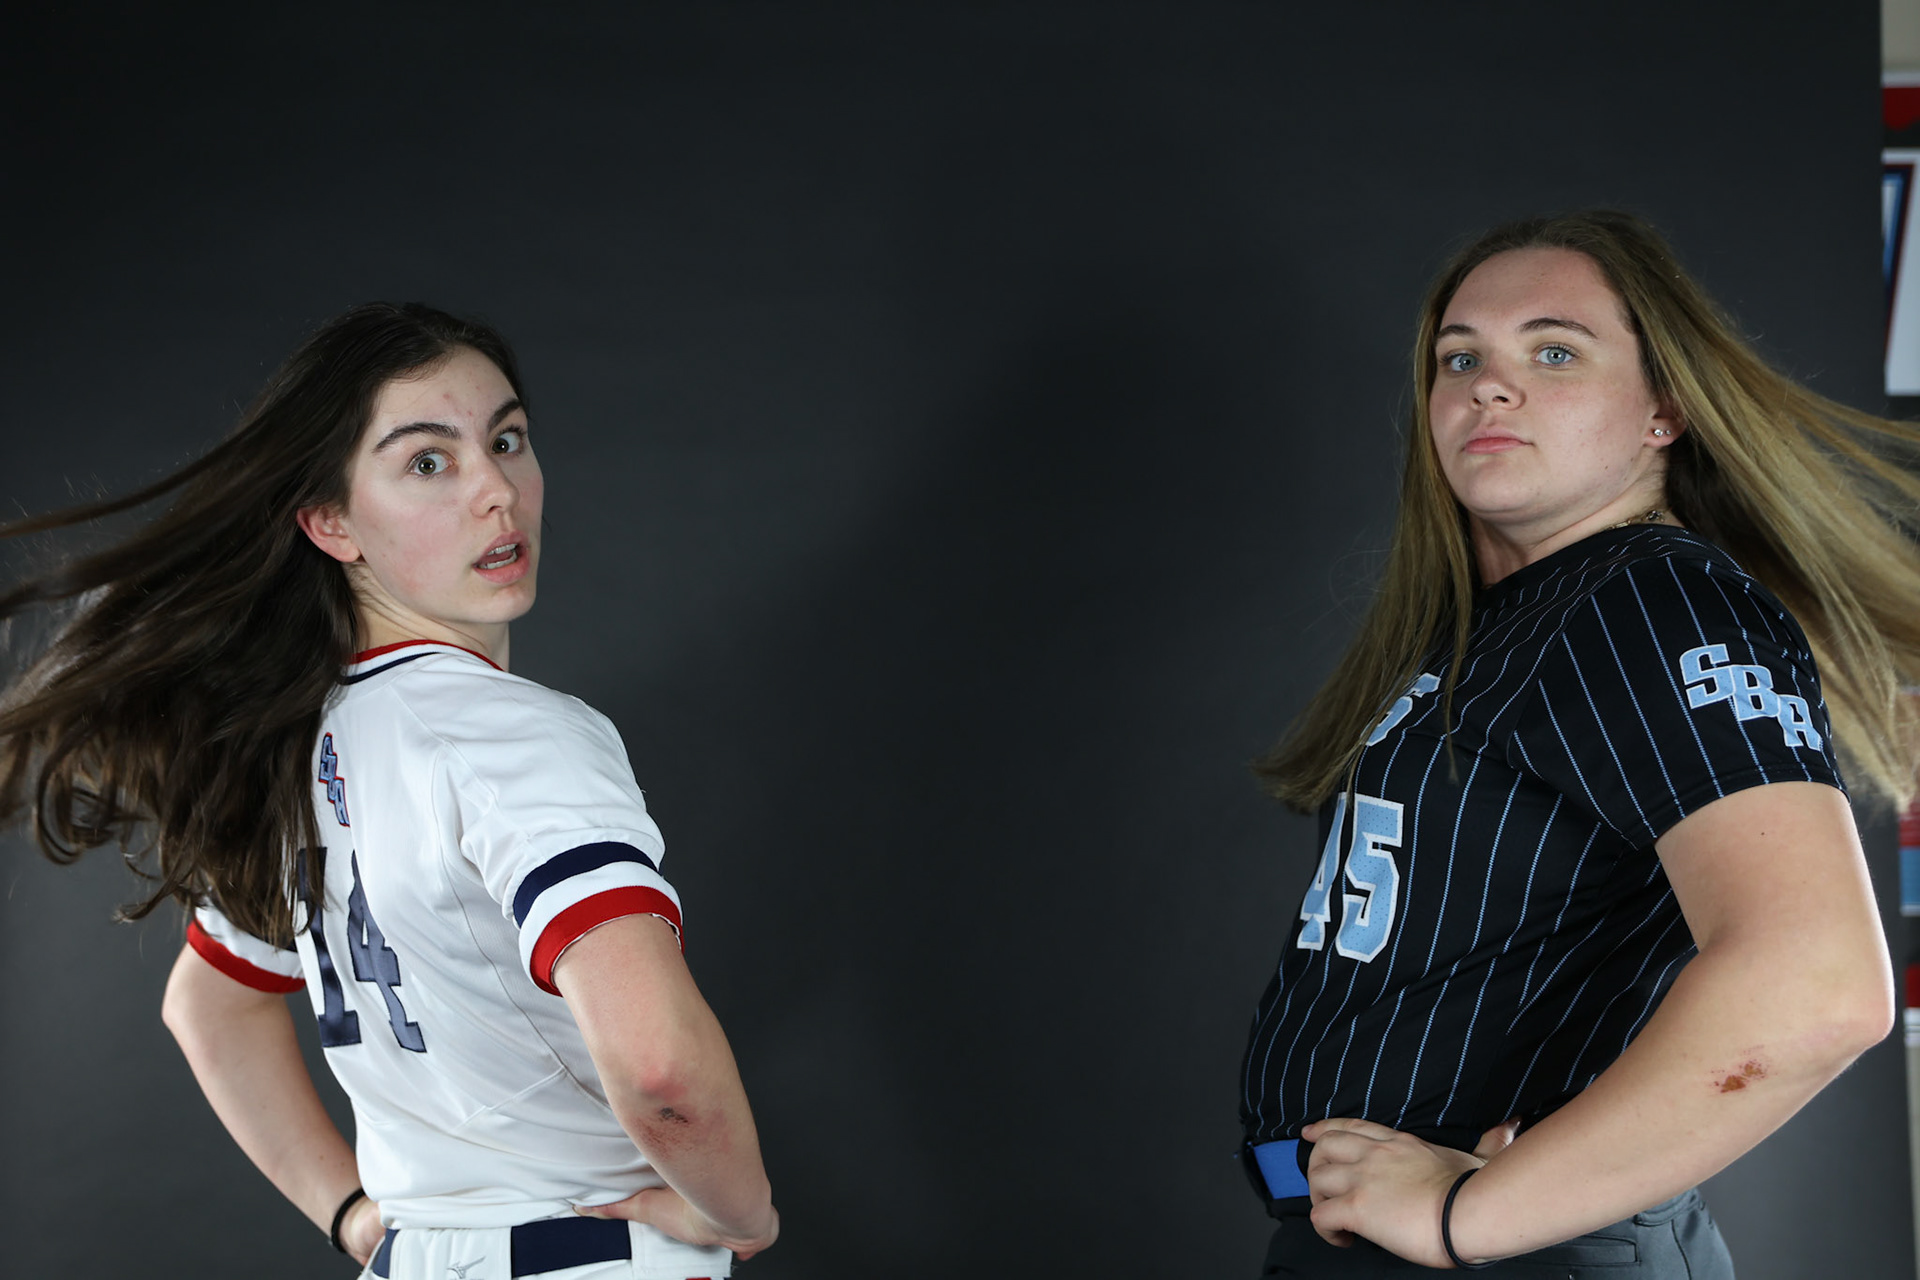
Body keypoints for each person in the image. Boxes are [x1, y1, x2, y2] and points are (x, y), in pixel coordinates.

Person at [0, 304, 778, 1278]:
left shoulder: (291, 745)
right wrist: (742, 1208)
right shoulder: (520, 735)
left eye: (507, 439)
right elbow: (663, 1074)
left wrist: (356, 1217)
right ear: (331, 521)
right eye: (427, 462)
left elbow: (208, 1006)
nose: (497, 489)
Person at [1239, 210, 1920, 1276]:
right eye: (1460, 357)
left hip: (1513, 1249)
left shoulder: (1650, 597)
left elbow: (1816, 979)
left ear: (1664, 408)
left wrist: (1470, 1217)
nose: (1488, 386)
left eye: (1554, 351)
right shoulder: (1519, 621)